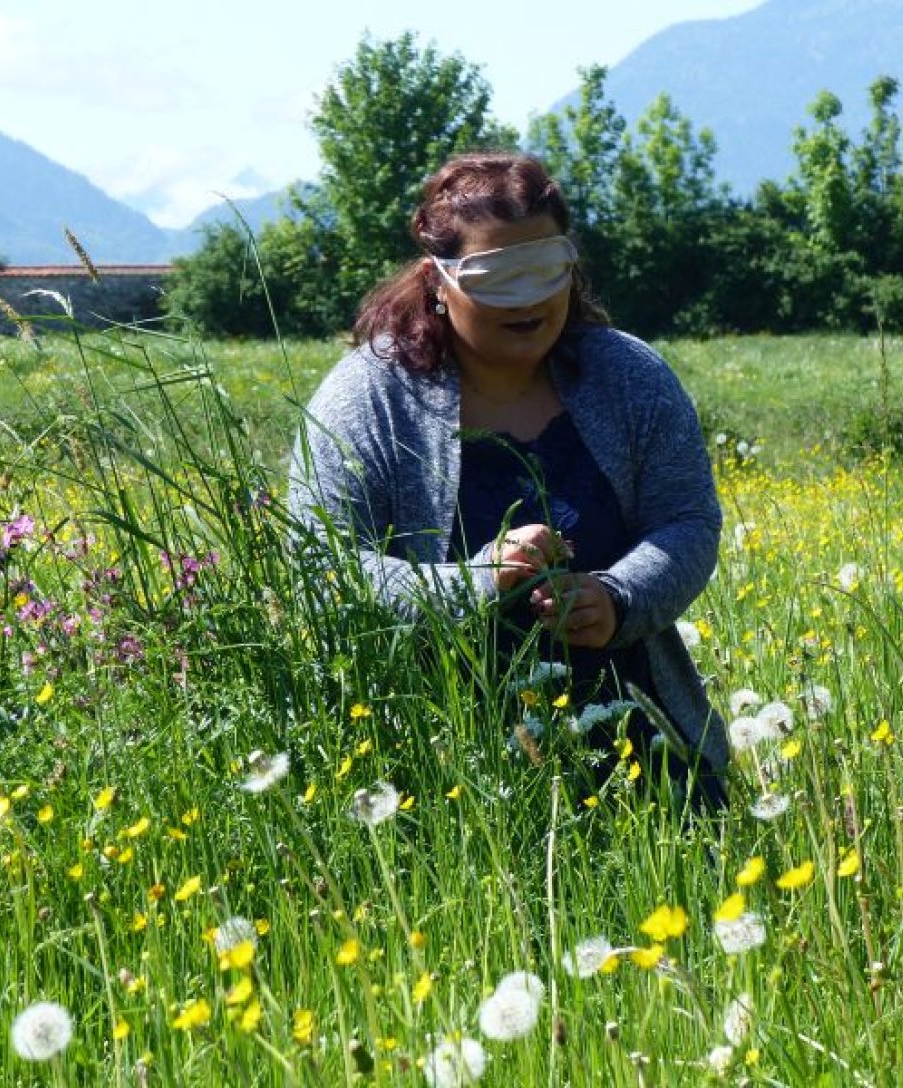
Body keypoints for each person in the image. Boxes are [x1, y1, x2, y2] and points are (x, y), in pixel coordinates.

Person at [288, 151, 728, 808]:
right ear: (439, 280)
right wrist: (475, 582)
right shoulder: (368, 398)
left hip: (648, 753)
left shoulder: (630, 377)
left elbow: (687, 519)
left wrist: (619, 599)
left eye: (546, 270)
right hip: (446, 773)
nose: (531, 300)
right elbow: (320, 567)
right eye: (497, 277)